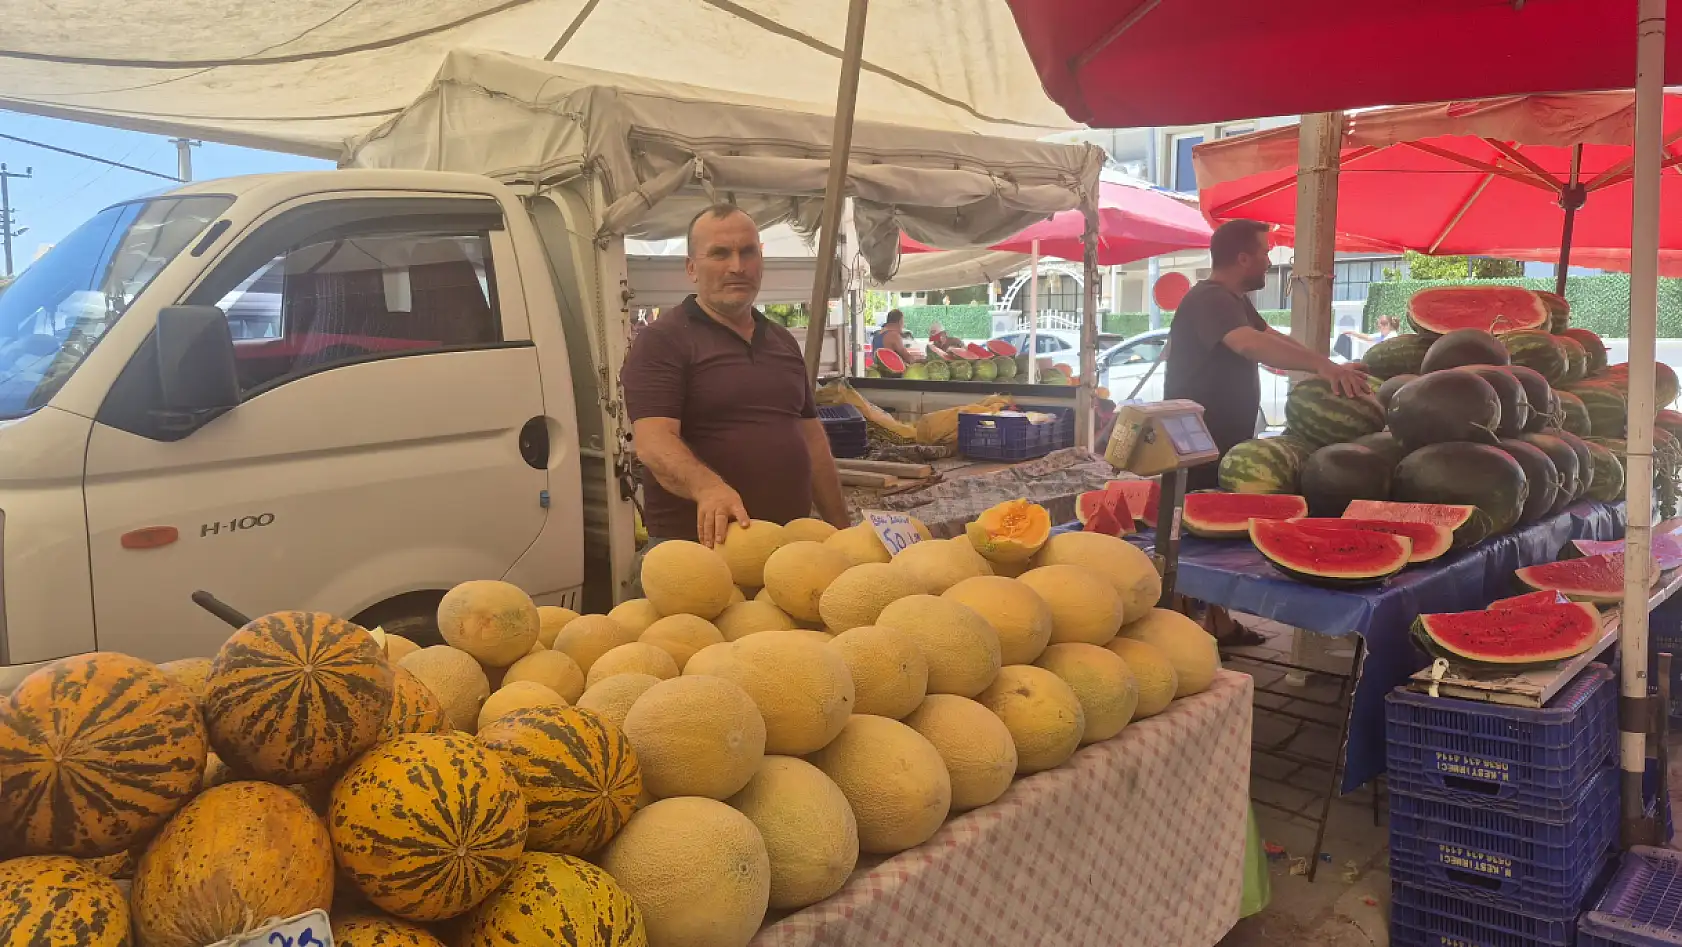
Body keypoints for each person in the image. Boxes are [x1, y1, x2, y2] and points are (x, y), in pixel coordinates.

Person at [1164, 219, 1373, 642]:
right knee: (1190, 539)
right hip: (1195, 439)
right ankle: (1181, 635)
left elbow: (1270, 337)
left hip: (1222, 436)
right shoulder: (1209, 298)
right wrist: (1321, 367)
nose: (1268, 260)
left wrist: (1327, 364)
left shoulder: (1233, 299)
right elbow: (1248, 344)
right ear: (1242, 257)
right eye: (1264, 252)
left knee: (1215, 533)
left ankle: (1217, 623)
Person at [623, 203, 850, 550]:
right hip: (697, 553)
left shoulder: (782, 340)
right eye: (719, 254)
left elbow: (811, 440)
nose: (737, 267)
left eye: (748, 252)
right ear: (691, 268)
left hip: (786, 551)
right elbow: (654, 443)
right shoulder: (663, 340)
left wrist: (842, 530)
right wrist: (707, 487)